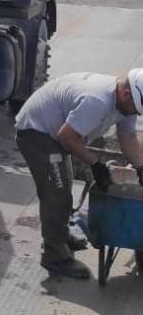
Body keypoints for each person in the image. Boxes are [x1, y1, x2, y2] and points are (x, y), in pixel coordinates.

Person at [14, 71, 143, 279]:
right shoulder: (97, 100)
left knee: (64, 187)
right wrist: (96, 165)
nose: (135, 113)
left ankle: (61, 235)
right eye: (135, 109)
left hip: (56, 134)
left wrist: (140, 168)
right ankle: (55, 256)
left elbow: (127, 136)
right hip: (37, 133)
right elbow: (67, 137)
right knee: (56, 195)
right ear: (126, 93)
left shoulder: (128, 104)